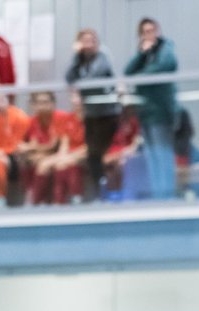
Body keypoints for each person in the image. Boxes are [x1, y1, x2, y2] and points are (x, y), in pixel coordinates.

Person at [124, 18, 179, 200]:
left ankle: (167, 195)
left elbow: (165, 66)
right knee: (152, 155)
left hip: (161, 112)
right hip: (145, 112)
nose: (149, 35)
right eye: (145, 32)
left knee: (163, 155)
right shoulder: (143, 53)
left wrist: (140, 76)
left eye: (152, 30)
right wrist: (141, 54)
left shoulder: (166, 48)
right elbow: (128, 71)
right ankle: (158, 194)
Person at [65, 28, 120, 198]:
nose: (88, 44)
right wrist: (76, 56)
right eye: (85, 41)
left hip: (107, 113)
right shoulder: (80, 60)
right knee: (93, 154)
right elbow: (69, 78)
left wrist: (78, 89)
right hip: (91, 114)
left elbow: (92, 80)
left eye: (91, 41)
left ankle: (111, 191)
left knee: (102, 152)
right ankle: (101, 189)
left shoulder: (102, 57)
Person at [20, 91, 82, 205]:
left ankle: (42, 202)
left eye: (45, 102)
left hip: (61, 154)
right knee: (26, 160)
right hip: (52, 154)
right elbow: (27, 144)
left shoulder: (61, 117)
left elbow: (52, 145)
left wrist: (36, 150)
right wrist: (34, 150)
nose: (42, 106)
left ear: (53, 103)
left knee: (47, 164)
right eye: (38, 103)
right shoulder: (33, 121)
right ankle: (34, 198)